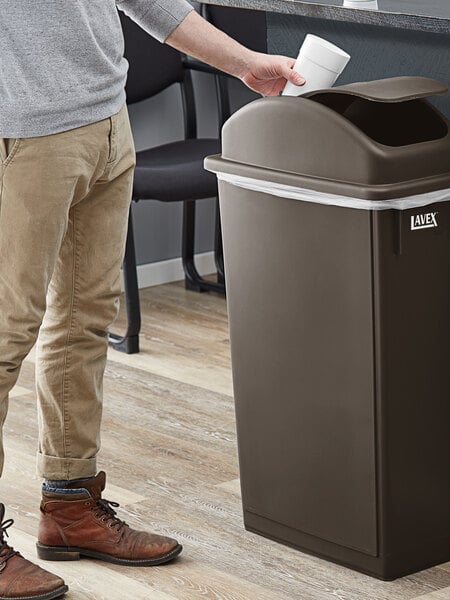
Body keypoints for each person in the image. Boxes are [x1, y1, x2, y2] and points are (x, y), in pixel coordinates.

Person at [0, 2, 304, 598]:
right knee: (8, 333)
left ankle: (69, 507)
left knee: (85, 321)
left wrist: (244, 63)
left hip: (107, 120)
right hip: (25, 132)